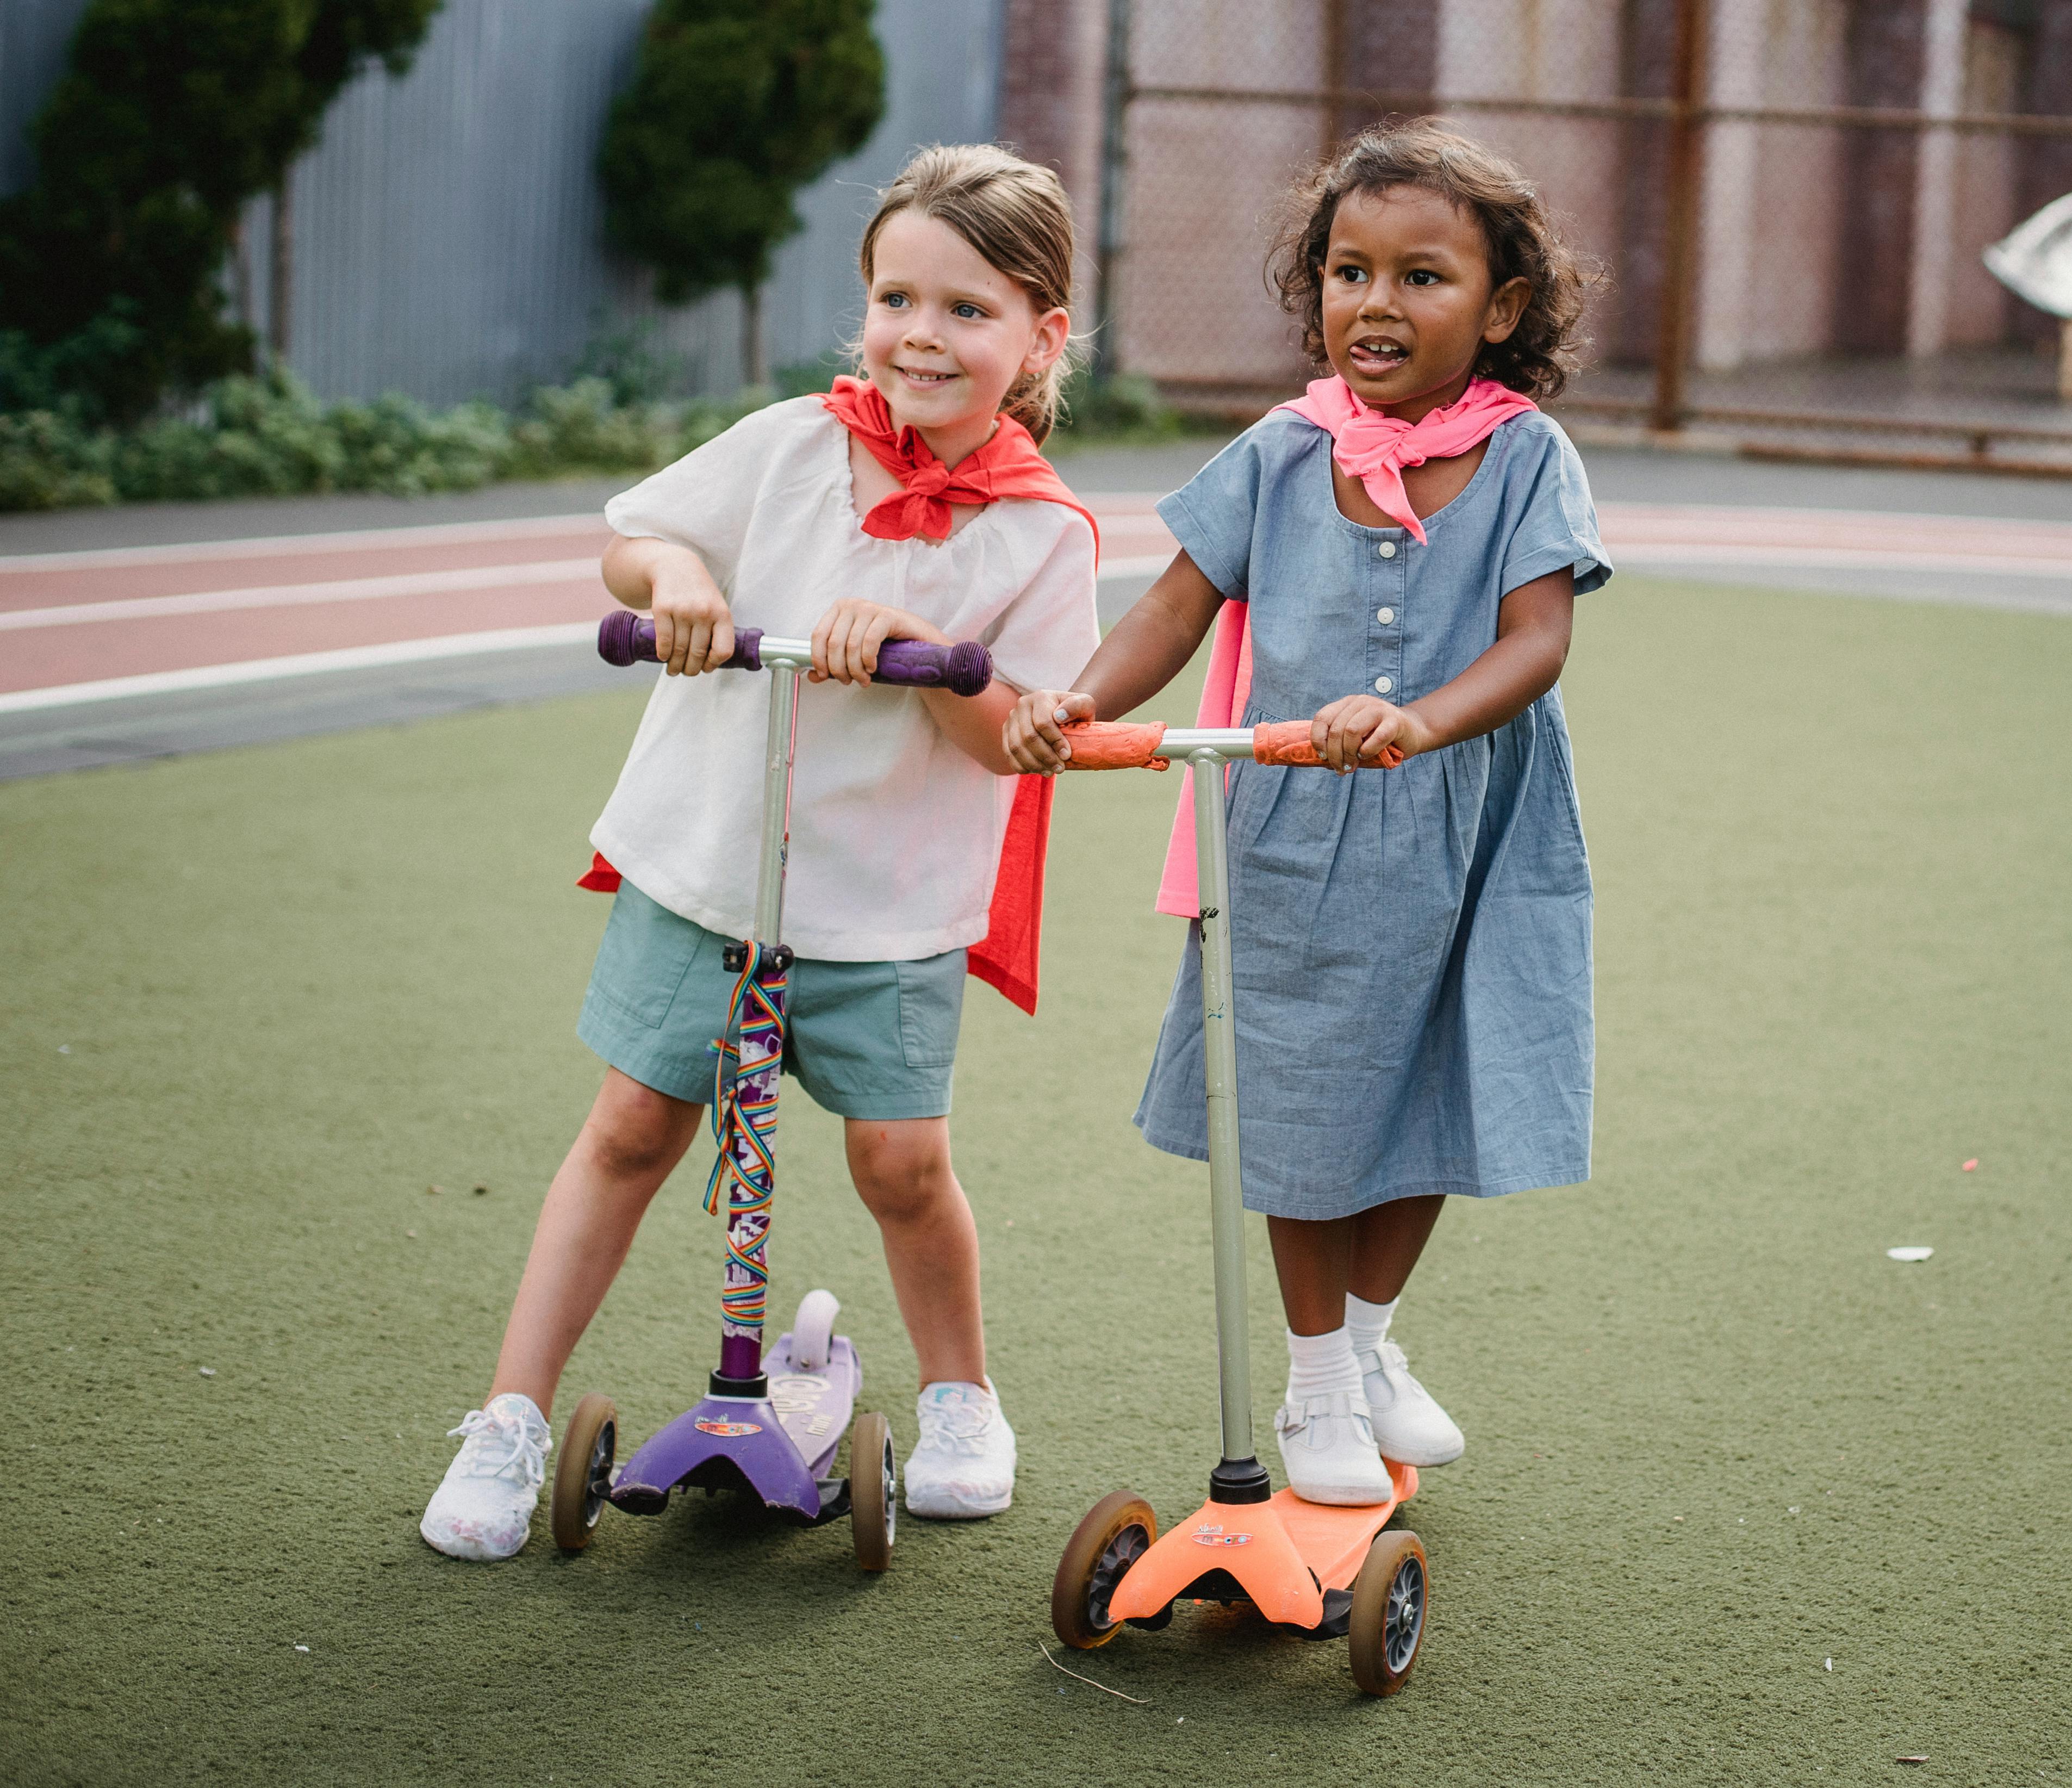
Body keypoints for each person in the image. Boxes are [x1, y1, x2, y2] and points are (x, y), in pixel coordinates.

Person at [422, 144, 1101, 1560]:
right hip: (709, 870)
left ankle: (964, 1399)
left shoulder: (1040, 533)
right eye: (895, 297)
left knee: (904, 1165)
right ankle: (508, 1416)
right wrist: (678, 578)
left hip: (890, 906)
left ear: (1041, 336)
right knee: (627, 1132)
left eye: (967, 310)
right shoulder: (792, 442)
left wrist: (918, 664)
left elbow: (1015, 739)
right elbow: (637, 545)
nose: (921, 334)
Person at [1004, 119, 1609, 1504]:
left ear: (1501, 308)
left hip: (1473, 822)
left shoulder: (1525, 458)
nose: (1376, 304)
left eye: (1422, 277)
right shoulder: (1283, 450)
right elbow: (1176, 598)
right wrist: (1082, 701)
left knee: (1439, 1081)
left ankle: (1377, 1346)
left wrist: (1420, 718)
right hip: (1294, 828)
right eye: (1348, 272)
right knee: (1301, 1096)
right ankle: (1317, 1382)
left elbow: (1535, 644)